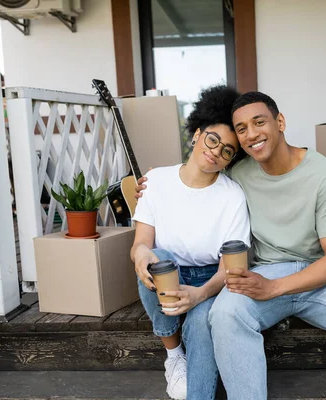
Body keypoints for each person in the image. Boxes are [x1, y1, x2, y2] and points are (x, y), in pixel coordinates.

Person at [136, 91, 326, 400]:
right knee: (225, 314)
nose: (251, 134)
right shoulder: (237, 172)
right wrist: (151, 185)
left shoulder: (324, 175)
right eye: (242, 129)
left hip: (320, 275)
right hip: (264, 271)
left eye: (259, 122)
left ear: (280, 122)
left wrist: (275, 288)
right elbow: (200, 172)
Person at [130, 85, 250, 400]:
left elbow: (230, 266)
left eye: (227, 150)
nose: (216, 150)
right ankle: (173, 356)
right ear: (197, 134)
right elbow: (141, 243)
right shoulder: (155, 182)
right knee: (157, 257)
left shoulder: (232, 197)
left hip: (212, 279)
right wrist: (141, 256)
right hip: (168, 272)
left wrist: (199, 294)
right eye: (213, 139)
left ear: (230, 160)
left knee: (200, 325)